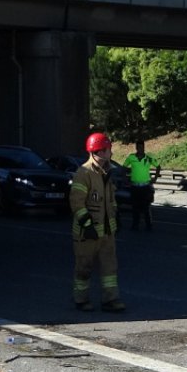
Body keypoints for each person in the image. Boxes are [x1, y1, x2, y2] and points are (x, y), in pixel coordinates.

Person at [69, 132, 126, 313]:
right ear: (98, 152)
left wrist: (116, 218)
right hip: (87, 234)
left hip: (106, 234)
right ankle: (81, 300)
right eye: (108, 149)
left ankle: (111, 300)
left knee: (110, 268)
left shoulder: (107, 173)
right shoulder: (83, 174)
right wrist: (87, 226)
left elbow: (110, 200)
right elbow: (77, 203)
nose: (111, 153)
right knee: (83, 268)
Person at [122, 140, 160, 231]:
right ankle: (135, 225)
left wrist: (155, 178)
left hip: (145, 186)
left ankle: (149, 226)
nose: (140, 149)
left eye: (142, 147)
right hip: (135, 186)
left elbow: (158, 166)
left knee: (146, 207)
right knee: (135, 207)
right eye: (138, 147)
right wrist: (125, 178)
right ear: (136, 148)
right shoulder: (131, 157)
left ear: (144, 147)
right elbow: (124, 167)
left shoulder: (148, 158)